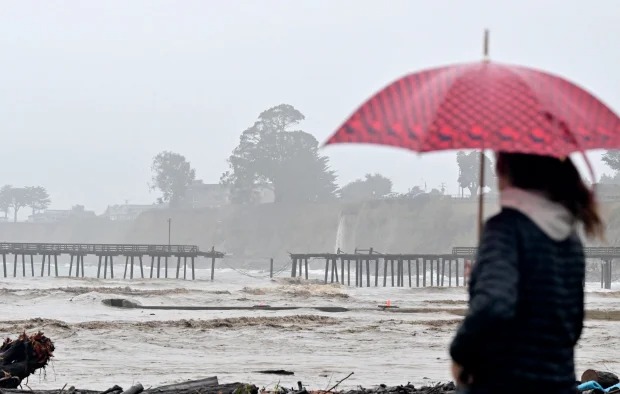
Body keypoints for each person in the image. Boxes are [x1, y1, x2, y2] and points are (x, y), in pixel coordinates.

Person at [449, 152, 603, 394]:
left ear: (503, 168)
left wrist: (459, 353)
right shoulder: (569, 237)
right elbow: (572, 326)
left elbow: (493, 305)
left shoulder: (506, 228)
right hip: (560, 382)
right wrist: (483, 277)